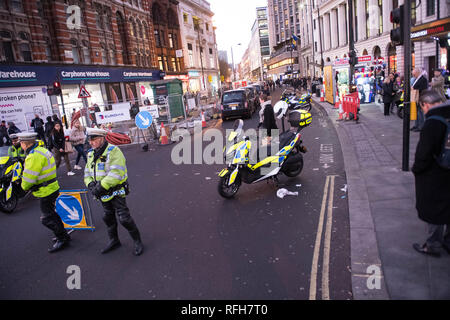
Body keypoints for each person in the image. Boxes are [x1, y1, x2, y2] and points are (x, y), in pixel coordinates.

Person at [84, 128, 143, 256]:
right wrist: (90, 184)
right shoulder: (90, 154)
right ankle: (114, 241)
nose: (90, 142)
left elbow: (117, 173)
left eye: (93, 139)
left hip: (116, 191)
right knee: (108, 217)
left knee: (124, 219)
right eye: (89, 140)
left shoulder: (114, 151)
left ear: (101, 138)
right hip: (102, 193)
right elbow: (87, 173)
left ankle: (138, 241)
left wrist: (100, 187)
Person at [17, 132, 71, 253]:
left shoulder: (33, 156)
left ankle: (62, 238)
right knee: (52, 214)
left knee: (46, 218)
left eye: (21, 143)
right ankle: (63, 235)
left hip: (45, 191)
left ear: (24, 144)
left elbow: (28, 180)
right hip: (52, 187)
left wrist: (23, 186)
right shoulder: (42, 150)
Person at [412, 90, 450, 257]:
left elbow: (423, 154)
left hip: (436, 173)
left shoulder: (433, 122)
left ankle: (433, 245)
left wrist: (416, 169)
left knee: (435, 209)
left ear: (425, 105)